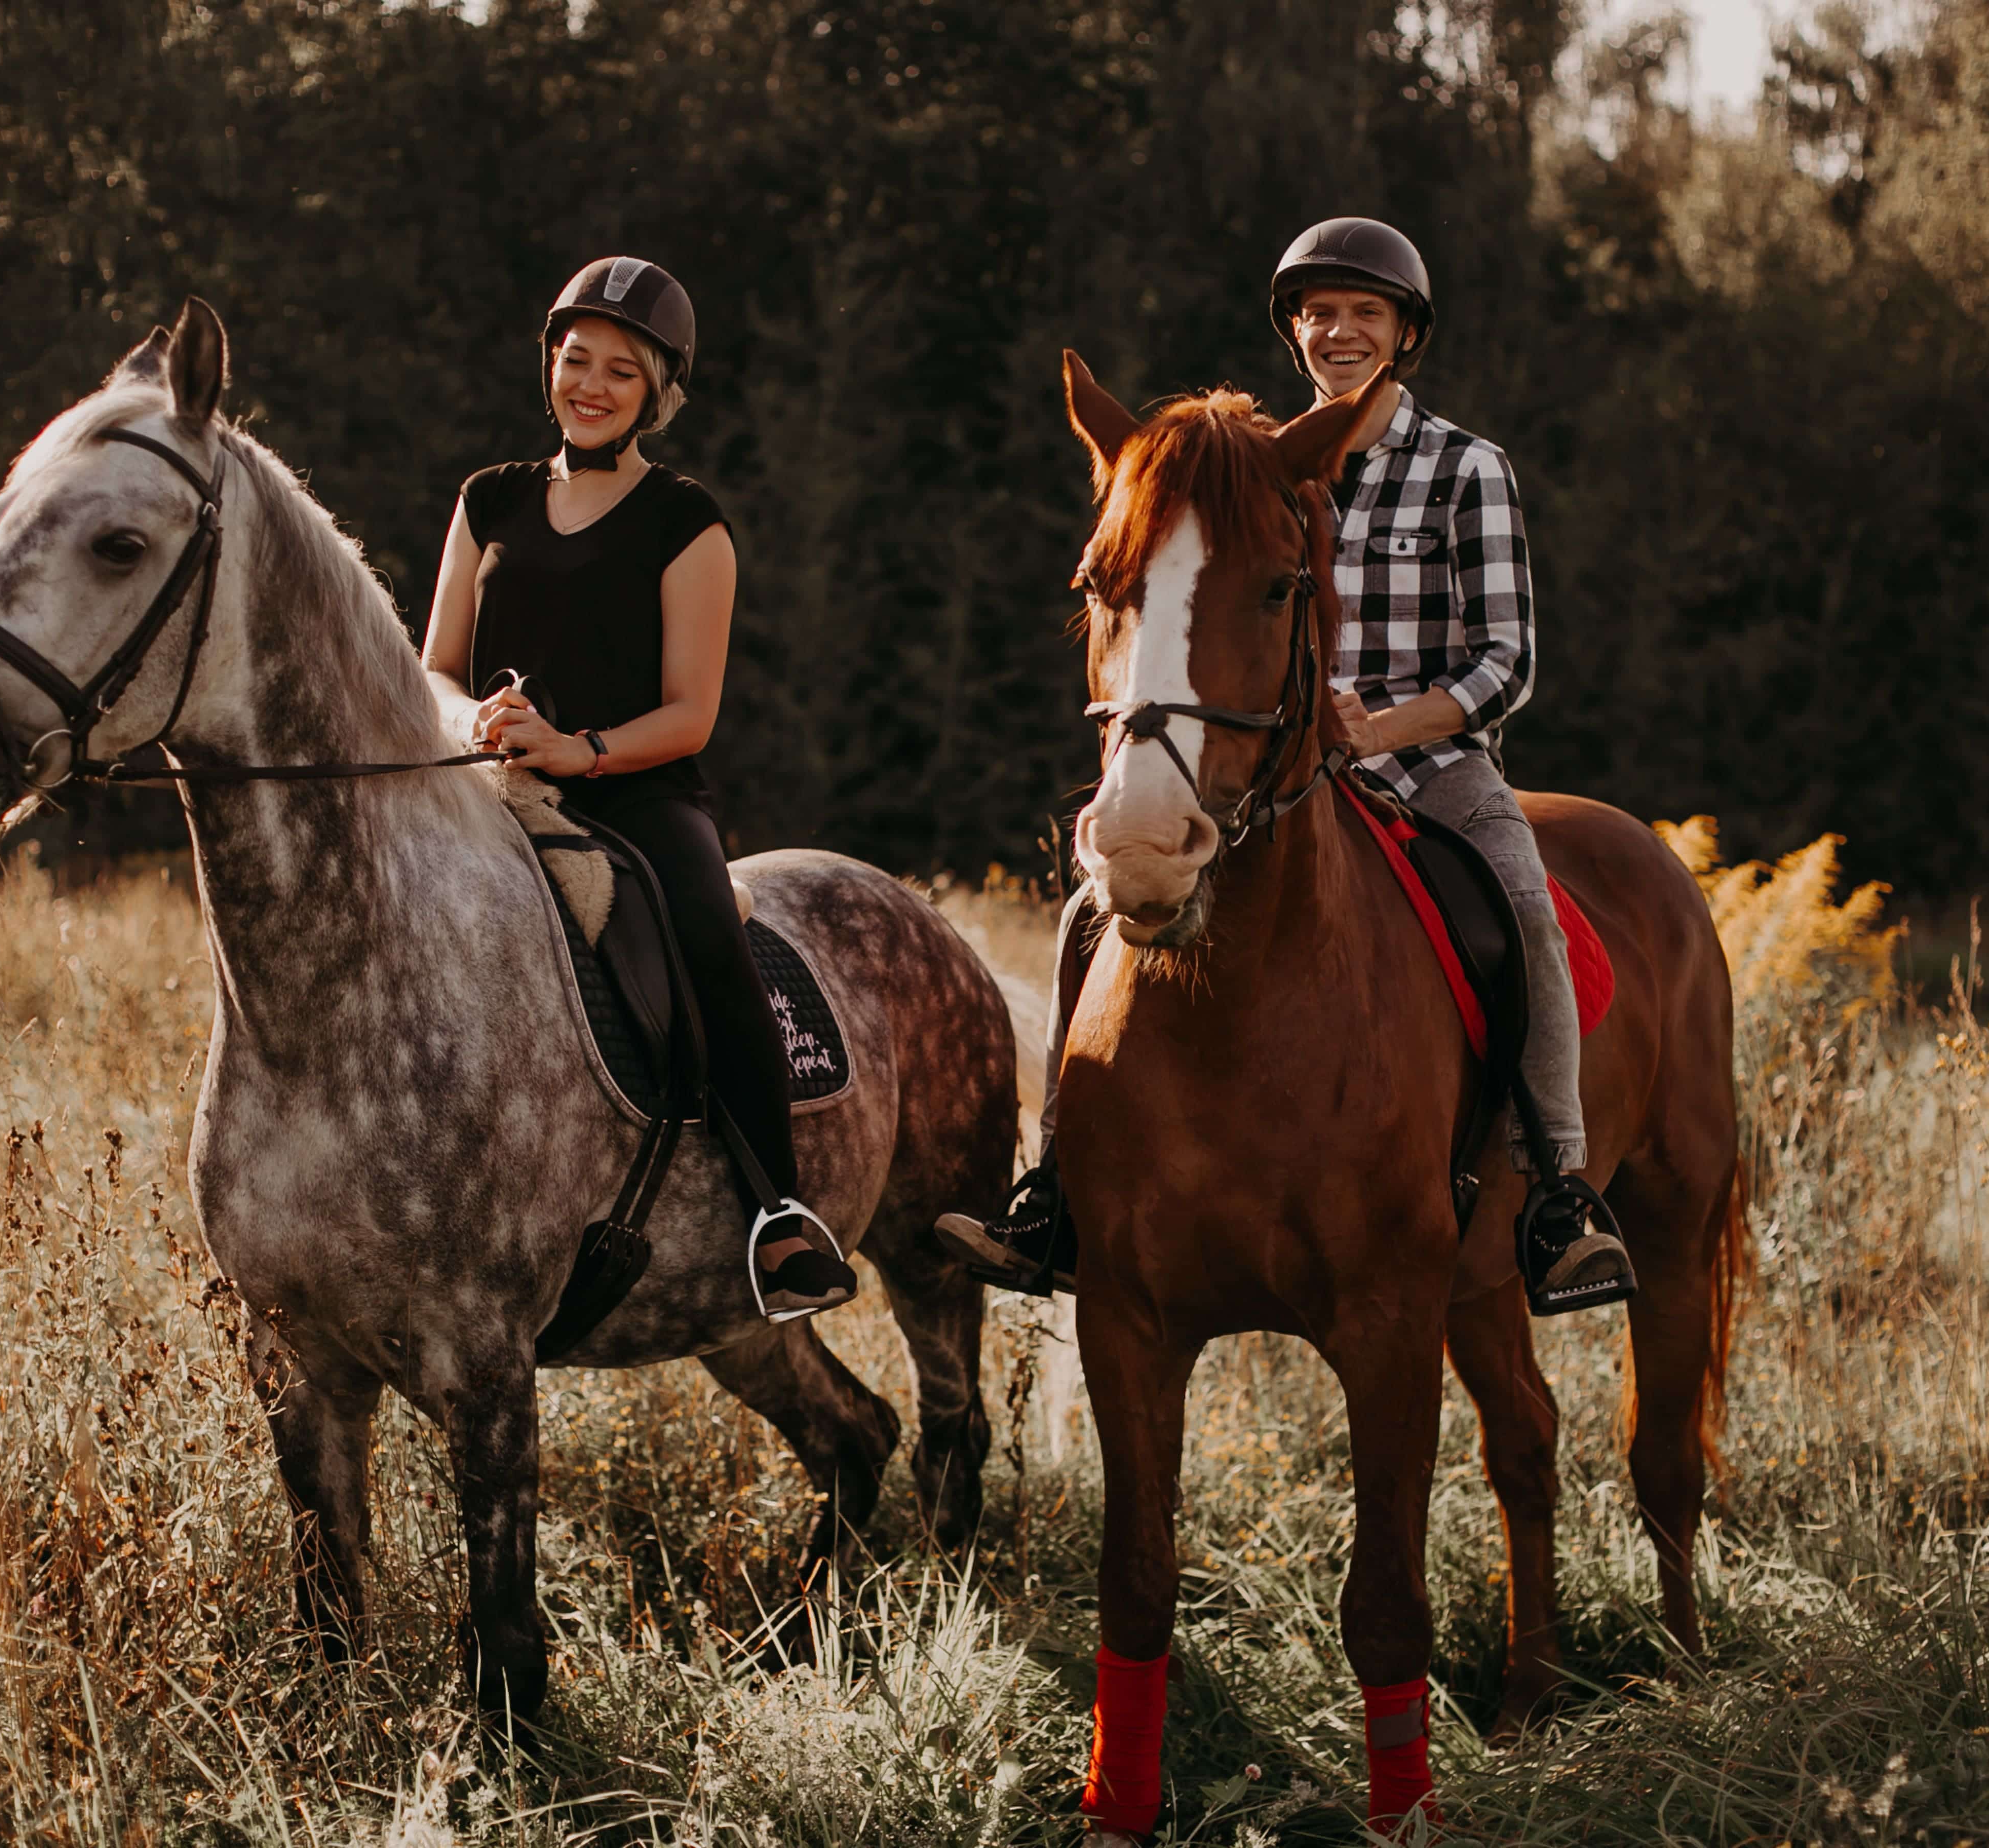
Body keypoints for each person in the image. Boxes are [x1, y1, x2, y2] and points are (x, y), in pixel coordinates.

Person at [936, 217, 1634, 1316]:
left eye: (1366, 314)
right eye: (1320, 315)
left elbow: (1509, 661)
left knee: (1524, 908)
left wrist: (1383, 729)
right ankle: (1056, 1194)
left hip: (1429, 768)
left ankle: (1558, 1192)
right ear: (1296, 333)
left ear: (1406, 335)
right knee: (1090, 913)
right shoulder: (1247, 465)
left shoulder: (1466, 470)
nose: (1340, 332)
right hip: (1266, 773)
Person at [420, 256, 856, 1323]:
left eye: (622, 370)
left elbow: (690, 711)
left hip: (637, 796)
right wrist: (469, 720)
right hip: (488, 784)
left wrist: (582, 750)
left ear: (660, 393)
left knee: (707, 923)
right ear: (550, 368)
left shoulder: (686, 520)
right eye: (576, 361)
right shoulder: (490, 501)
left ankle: (779, 1216)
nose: (592, 385)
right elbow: (435, 661)